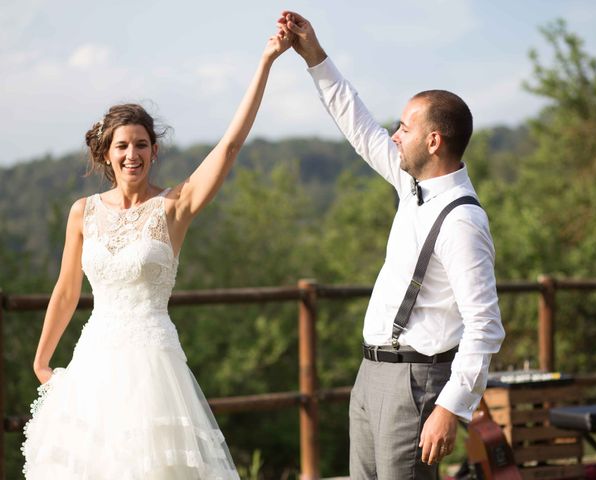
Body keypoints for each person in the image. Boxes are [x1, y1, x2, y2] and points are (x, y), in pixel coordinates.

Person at [21, 30, 292, 479]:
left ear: (154, 150)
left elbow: (229, 146)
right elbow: (67, 290)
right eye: (122, 146)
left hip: (154, 368)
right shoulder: (81, 213)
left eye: (141, 144)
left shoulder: (174, 206)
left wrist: (265, 61)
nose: (132, 154)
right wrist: (41, 359)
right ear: (106, 154)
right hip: (94, 363)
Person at [278, 11, 505, 479]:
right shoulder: (410, 185)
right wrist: (314, 58)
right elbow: (359, 126)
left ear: (434, 140)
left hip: (418, 385)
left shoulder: (463, 221)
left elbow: (485, 327)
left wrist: (452, 407)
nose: (394, 135)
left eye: (404, 127)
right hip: (370, 375)